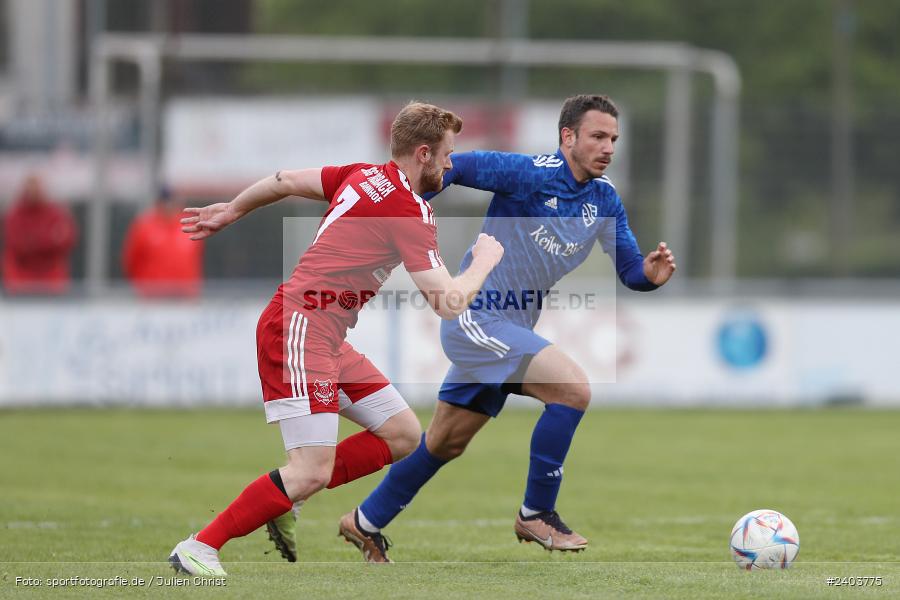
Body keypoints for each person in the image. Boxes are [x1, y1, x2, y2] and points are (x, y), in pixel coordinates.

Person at [331, 94, 677, 562]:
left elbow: (631, 269)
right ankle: (537, 512)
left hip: (507, 329)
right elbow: (450, 169)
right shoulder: (530, 173)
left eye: (613, 138)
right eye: (597, 136)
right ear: (567, 137)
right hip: (476, 319)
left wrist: (650, 276)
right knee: (573, 390)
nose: (608, 147)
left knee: (445, 442)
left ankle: (364, 521)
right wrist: (398, 213)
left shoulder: (604, 200)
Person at [168, 102, 504, 577]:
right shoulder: (407, 209)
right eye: (448, 154)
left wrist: (233, 210)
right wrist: (484, 261)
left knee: (404, 434)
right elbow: (447, 302)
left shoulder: (363, 174)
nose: (452, 164)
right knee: (309, 469)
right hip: (301, 327)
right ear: (424, 154)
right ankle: (200, 547)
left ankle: (285, 497)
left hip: (321, 333)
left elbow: (284, 180)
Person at [2, 174, 78, 295]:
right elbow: (17, 243)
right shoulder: (14, 215)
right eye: (30, 187)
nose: (34, 191)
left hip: (52, 281)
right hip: (20, 281)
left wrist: (33, 240)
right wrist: (48, 239)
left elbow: (67, 239)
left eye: (37, 187)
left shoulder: (56, 213)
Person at [122, 185, 204, 298]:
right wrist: (143, 288)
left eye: (172, 201)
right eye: (166, 201)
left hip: (185, 297)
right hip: (153, 297)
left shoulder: (190, 224)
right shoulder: (144, 226)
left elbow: (197, 258)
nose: (169, 205)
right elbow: (131, 261)